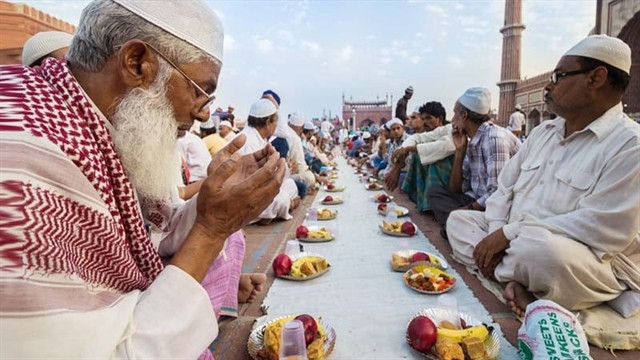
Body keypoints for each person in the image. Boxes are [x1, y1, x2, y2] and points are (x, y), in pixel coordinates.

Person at [0, 0, 286, 358]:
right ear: (137, 63)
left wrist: (211, 202)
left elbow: (150, 234)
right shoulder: (25, 152)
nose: (204, 112)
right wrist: (212, 229)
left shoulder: (90, 119)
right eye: (200, 90)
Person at [446, 35, 639, 316]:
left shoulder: (628, 145)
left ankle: (514, 275)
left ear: (596, 78)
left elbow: (602, 228)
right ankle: (518, 282)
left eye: (558, 76)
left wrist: (509, 234)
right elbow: (503, 190)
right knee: (458, 221)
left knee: (544, 253)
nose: (549, 86)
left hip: (581, 255)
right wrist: (494, 234)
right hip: (513, 240)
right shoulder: (543, 133)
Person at [427, 88, 520, 236]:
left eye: (455, 113)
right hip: (478, 200)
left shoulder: (494, 139)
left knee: (455, 217)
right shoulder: (472, 141)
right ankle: (457, 226)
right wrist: (460, 152)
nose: (452, 120)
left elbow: (497, 195)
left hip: (502, 207)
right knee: (434, 192)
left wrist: (465, 211)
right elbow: (455, 189)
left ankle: (459, 227)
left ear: (464, 115)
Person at [238, 98, 300, 223]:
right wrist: (285, 169)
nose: (276, 126)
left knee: (291, 185)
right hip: (242, 197)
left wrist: (287, 167)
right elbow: (260, 182)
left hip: (255, 189)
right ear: (268, 122)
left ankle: (269, 214)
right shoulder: (248, 141)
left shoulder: (260, 139)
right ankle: (280, 209)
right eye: (275, 121)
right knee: (281, 199)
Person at [388, 102, 456, 212]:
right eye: (423, 119)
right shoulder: (436, 132)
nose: (425, 122)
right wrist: (398, 162)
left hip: (456, 179)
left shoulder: (450, 129)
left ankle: (431, 206)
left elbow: (444, 146)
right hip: (436, 183)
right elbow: (417, 138)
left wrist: (409, 149)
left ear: (439, 119)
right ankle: (422, 202)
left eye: (428, 118)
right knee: (417, 154)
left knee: (433, 159)